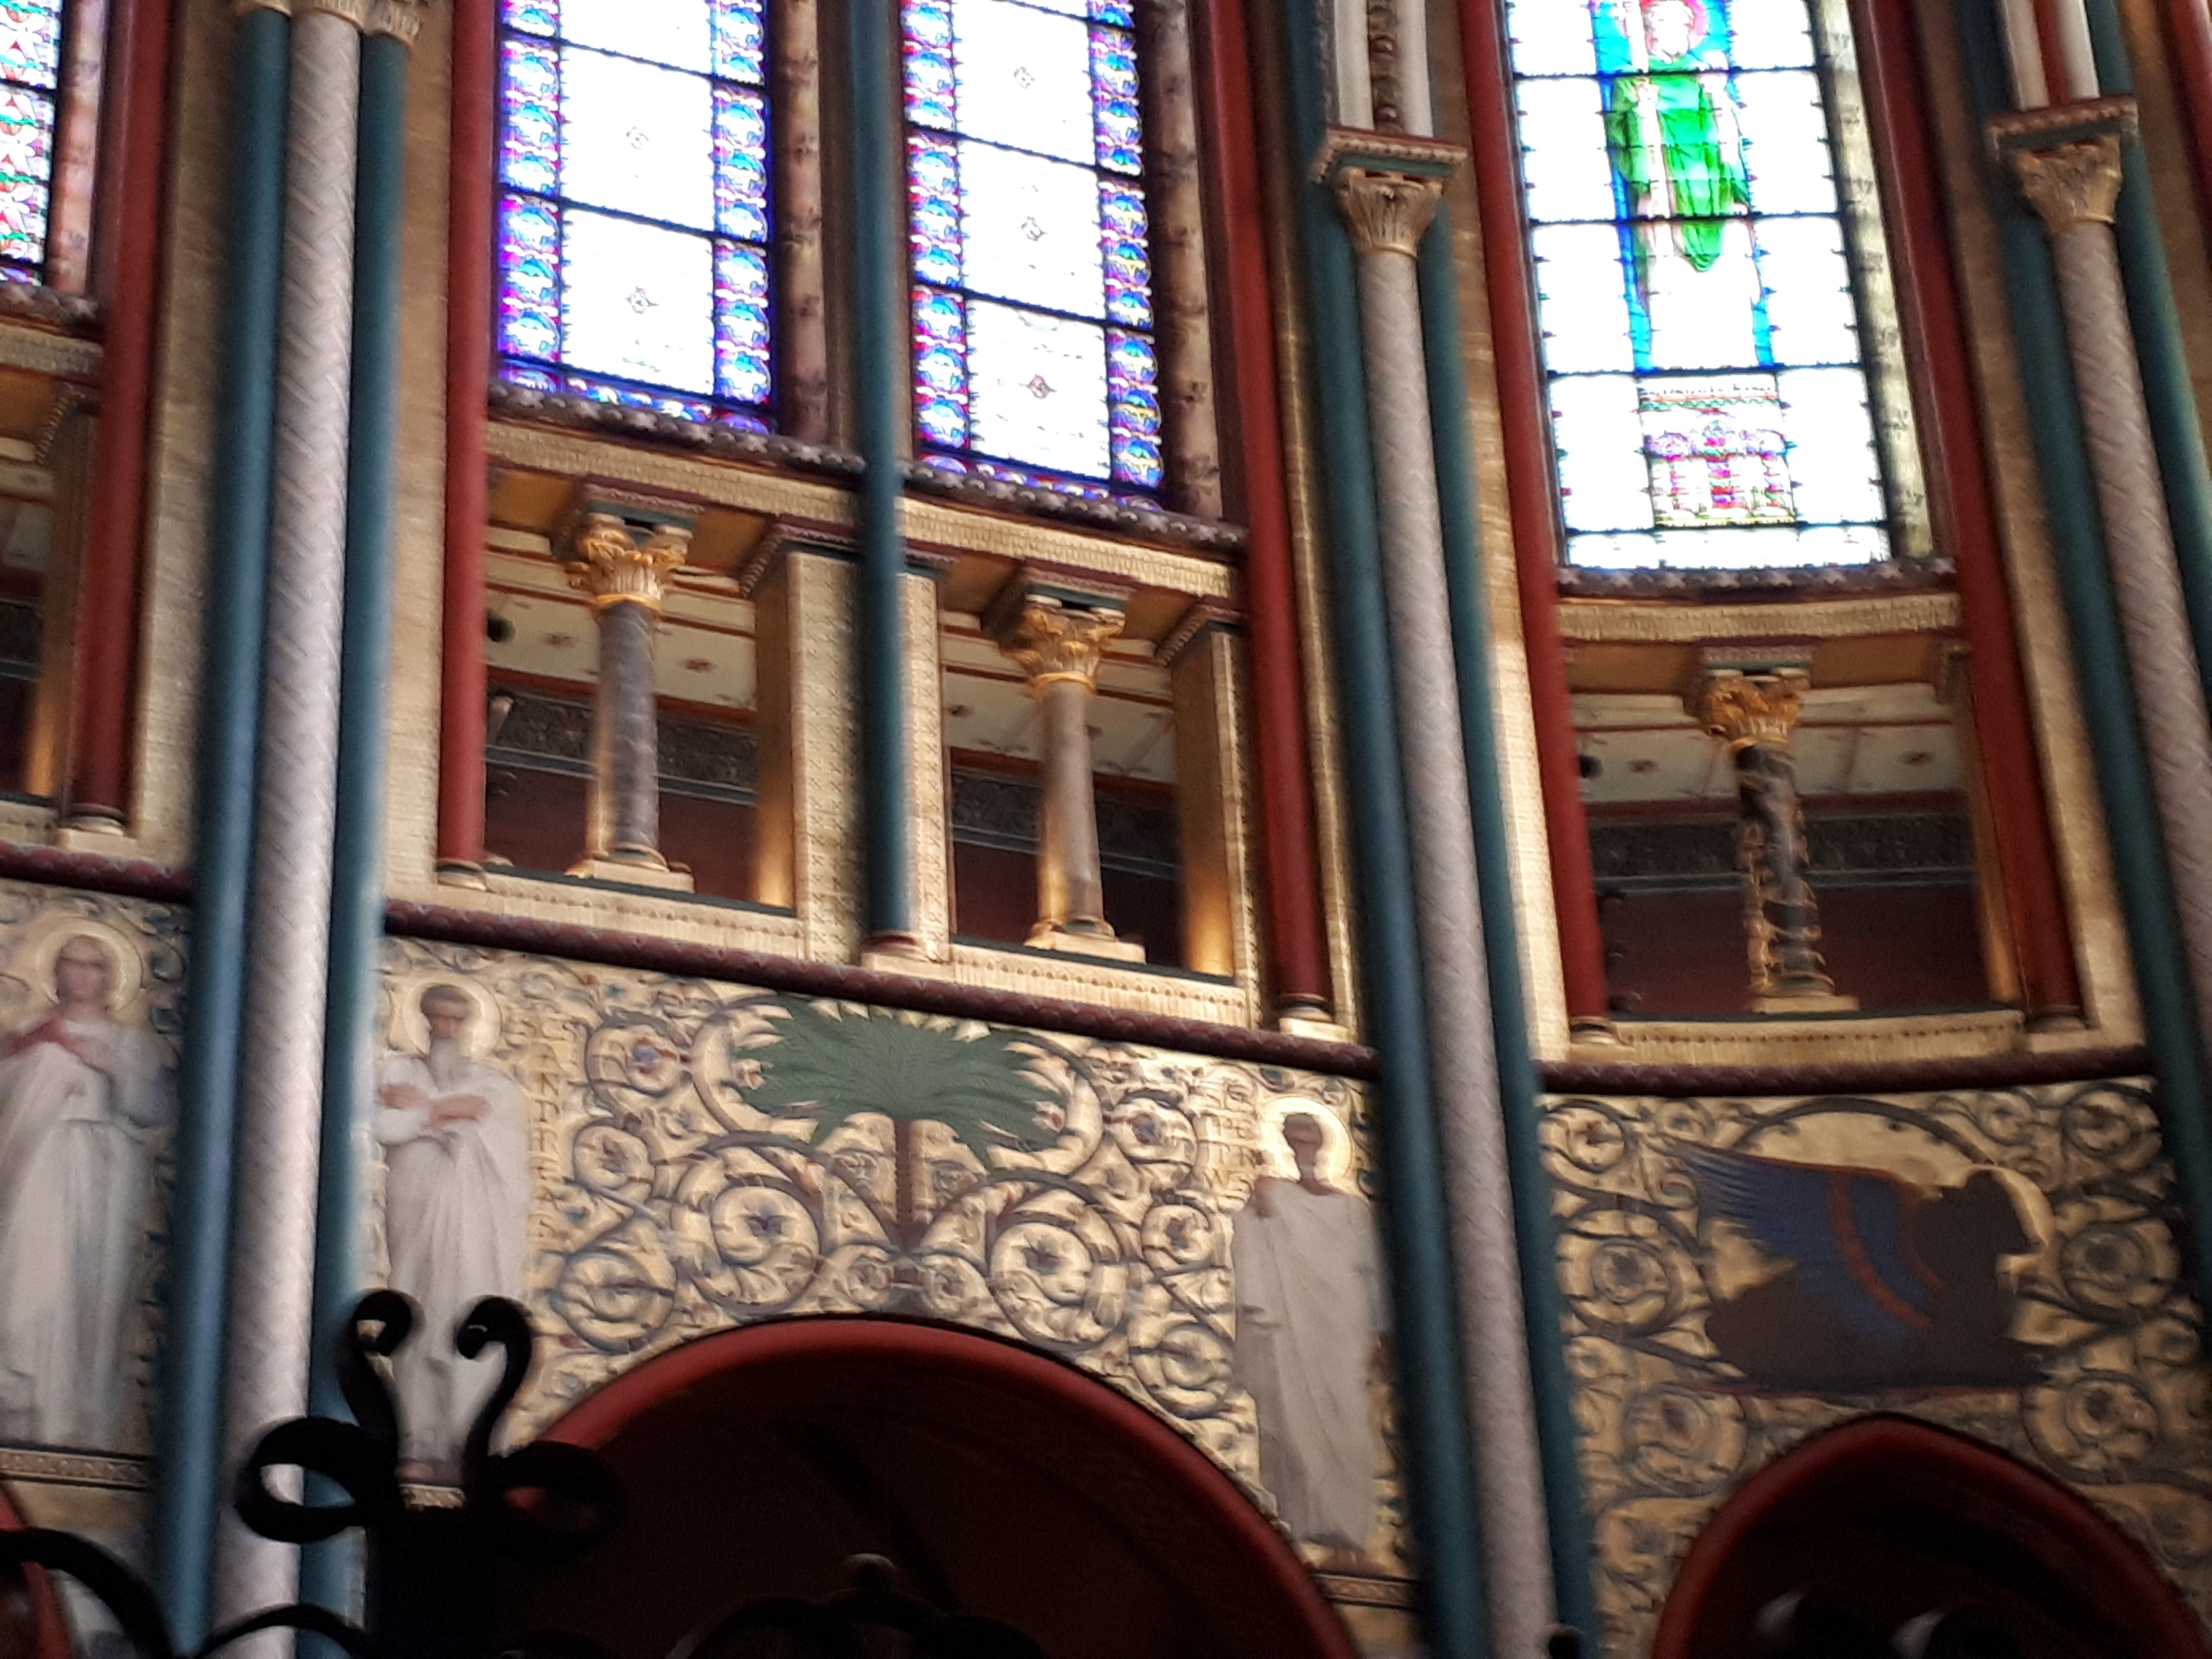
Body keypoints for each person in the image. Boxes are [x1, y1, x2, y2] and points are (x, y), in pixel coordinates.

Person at [0, 933, 171, 1448]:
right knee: (30, 1281)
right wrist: (35, 1063)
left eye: (93, 966)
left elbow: (155, 1109)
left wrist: (109, 1066)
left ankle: (79, 1424)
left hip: (103, 1178)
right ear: (55, 973)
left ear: (109, 978)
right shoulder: (30, 1034)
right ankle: (22, 1413)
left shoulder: (129, 1043)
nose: (81, 975)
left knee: (89, 1295)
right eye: (71, 964)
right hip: (35, 1173)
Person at [377, 983, 529, 1479]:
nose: (446, 1029)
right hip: (414, 1209)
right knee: (415, 1312)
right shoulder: (398, 1070)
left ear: (469, 1025)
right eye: (437, 1019)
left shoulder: (492, 1083)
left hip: (474, 1224)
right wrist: (441, 1112)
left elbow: (483, 1117)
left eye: (455, 1020)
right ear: (423, 1020)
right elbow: (385, 1127)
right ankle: (417, 1439)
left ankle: (466, 1441)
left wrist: (420, 1110)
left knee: (465, 1314)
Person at [1230, 1111, 1387, 1569]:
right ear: (1284, 1144)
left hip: (1344, 1327)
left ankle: (1353, 1537)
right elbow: (1251, 1237)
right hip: (1294, 1325)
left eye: (1310, 1139)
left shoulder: (1352, 1209)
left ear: (1324, 1145)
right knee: (1294, 1419)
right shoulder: (1272, 1196)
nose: (1303, 1148)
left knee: (1349, 1424)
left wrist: (1383, 1335)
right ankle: (1304, 1536)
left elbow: (1372, 1273)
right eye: (1294, 1140)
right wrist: (1257, 1210)